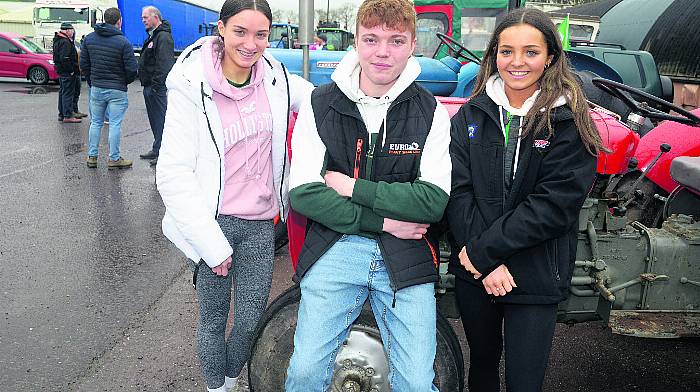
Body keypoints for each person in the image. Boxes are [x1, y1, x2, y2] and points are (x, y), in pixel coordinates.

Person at [284, 0, 452, 391]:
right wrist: (385, 220)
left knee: (416, 381)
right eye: (372, 39)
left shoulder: (431, 112)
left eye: (396, 40)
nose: (382, 52)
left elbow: (432, 201)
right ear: (355, 42)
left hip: (406, 254)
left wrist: (350, 187)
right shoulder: (319, 103)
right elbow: (304, 193)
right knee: (306, 371)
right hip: (336, 245)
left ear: (413, 45)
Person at [155, 0, 313, 391]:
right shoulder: (191, 84)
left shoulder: (277, 78)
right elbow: (171, 173)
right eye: (240, 32)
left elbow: (326, 99)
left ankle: (227, 378)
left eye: (261, 34)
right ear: (222, 28)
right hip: (213, 222)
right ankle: (218, 387)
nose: (251, 43)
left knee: (249, 318)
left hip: (260, 222)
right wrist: (209, 242)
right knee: (212, 318)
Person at [446, 7, 602, 392]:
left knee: (524, 382)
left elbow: (553, 206)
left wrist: (485, 252)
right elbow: (456, 192)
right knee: (481, 370)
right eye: (506, 51)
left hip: (533, 272)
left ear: (550, 56)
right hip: (477, 273)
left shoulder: (569, 122)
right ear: (493, 55)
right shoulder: (471, 116)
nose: (517, 62)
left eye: (530, 52)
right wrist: (483, 260)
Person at [80, 7, 138, 170]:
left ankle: (92, 157)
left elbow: (84, 64)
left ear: (104, 19)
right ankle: (114, 158)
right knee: (114, 124)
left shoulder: (89, 39)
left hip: (97, 87)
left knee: (96, 122)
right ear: (119, 21)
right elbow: (132, 69)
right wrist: (124, 82)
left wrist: (92, 80)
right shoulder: (123, 42)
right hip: (117, 89)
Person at [138, 6, 175, 166]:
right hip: (150, 86)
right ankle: (157, 148)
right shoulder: (153, 36)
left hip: (156, 88)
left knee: (161, 121)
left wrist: (156, 85)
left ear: (156, 17)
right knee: (154, 120)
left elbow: (165, 64)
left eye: (146, 17)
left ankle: (164, 154)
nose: (143, 20)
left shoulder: (163, 37)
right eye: (142, 18)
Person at [53, 22, 81, 123]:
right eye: (72, 30)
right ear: (68, 30)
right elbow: (64, 58)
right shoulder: (65, 42)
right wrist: (71, 71)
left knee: (63, 92)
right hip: (66, 72)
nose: (73, 32)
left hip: (61, 71)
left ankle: (62, 113)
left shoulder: (58, 40)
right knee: (68, 93)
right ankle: (68, 115)